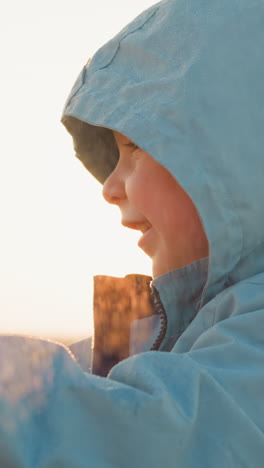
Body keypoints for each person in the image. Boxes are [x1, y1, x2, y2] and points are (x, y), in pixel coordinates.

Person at [1, 0, 264, 466]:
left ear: (239, 160)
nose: (109, 187)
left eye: (135, 145)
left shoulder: (251, 346)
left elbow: (149, 436)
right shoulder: (169, 330)